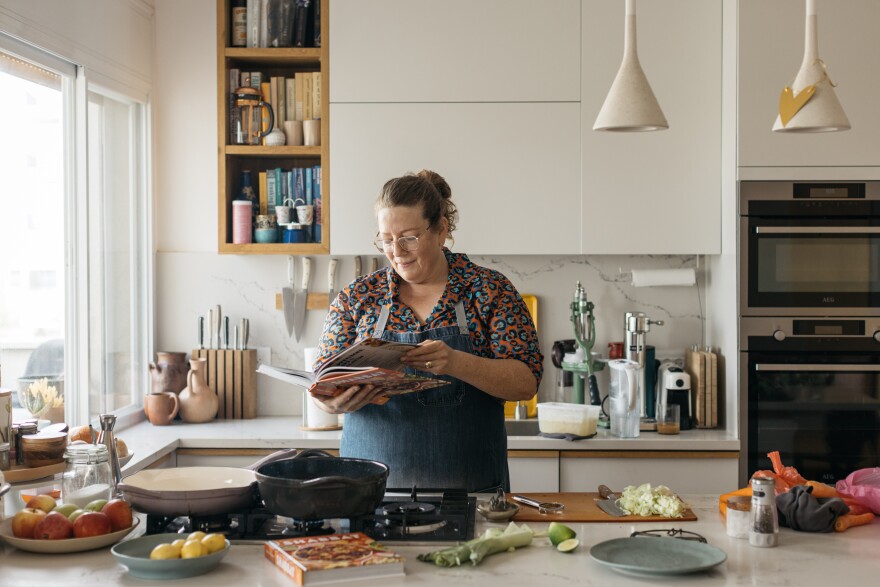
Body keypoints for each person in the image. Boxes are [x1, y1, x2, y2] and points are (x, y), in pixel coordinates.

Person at [314, 170, 543, 492]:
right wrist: (332, 403)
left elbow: (525, 383)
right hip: (368, 497)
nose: (397, 251)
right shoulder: (357, 297)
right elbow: (322, 384)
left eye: (408, 237)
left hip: (473, 494)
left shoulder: (489, 290)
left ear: (440, 230)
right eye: (387, 240)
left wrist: (456, 363)